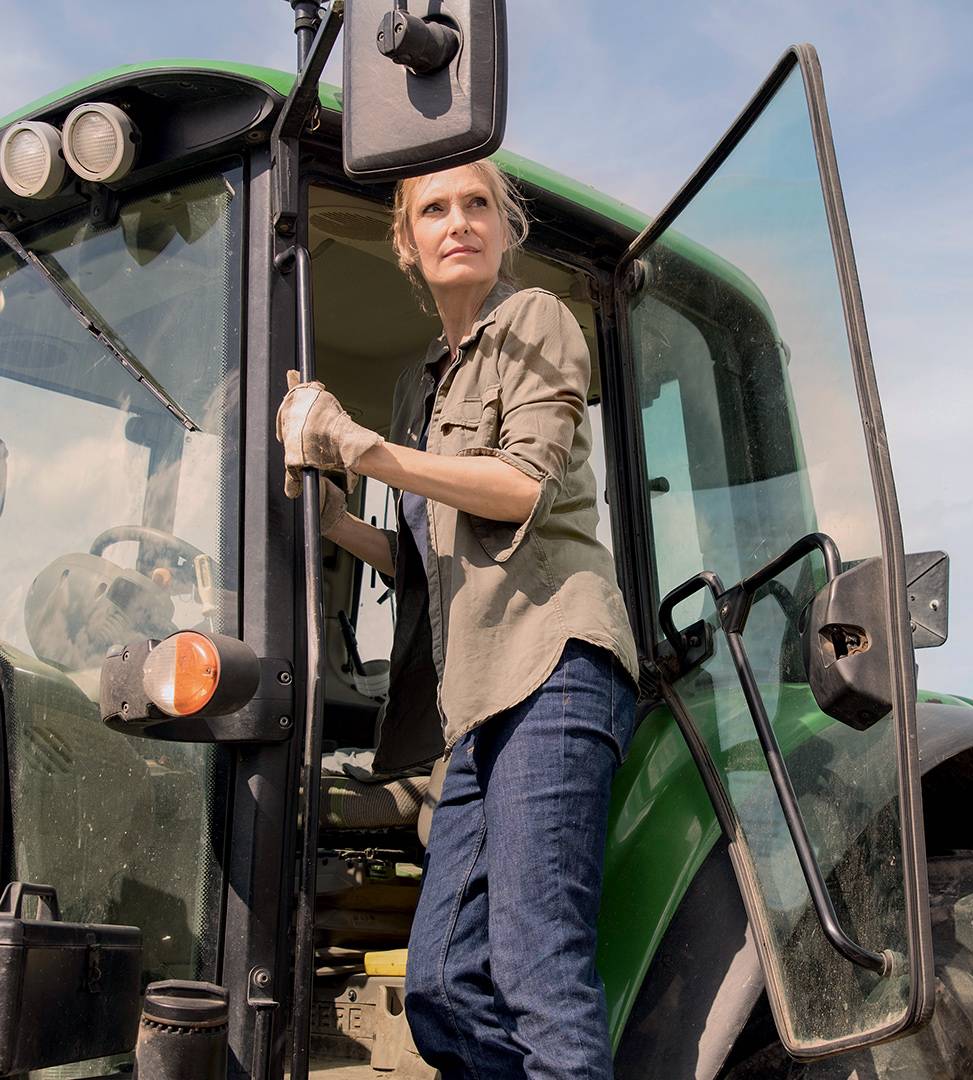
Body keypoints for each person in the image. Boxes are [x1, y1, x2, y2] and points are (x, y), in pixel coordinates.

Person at [276, 158, 638, 1079]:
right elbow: (428, 565)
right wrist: (339, 522)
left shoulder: (537, 324)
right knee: (439, 983)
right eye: (433, 209)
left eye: (477, 204)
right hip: (472, 705)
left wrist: (364, 449)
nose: (458, 221)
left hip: (554, 665)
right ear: (406, 241)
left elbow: (518, 487)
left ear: (504, 228)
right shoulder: (418, 388)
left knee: (536, 968)